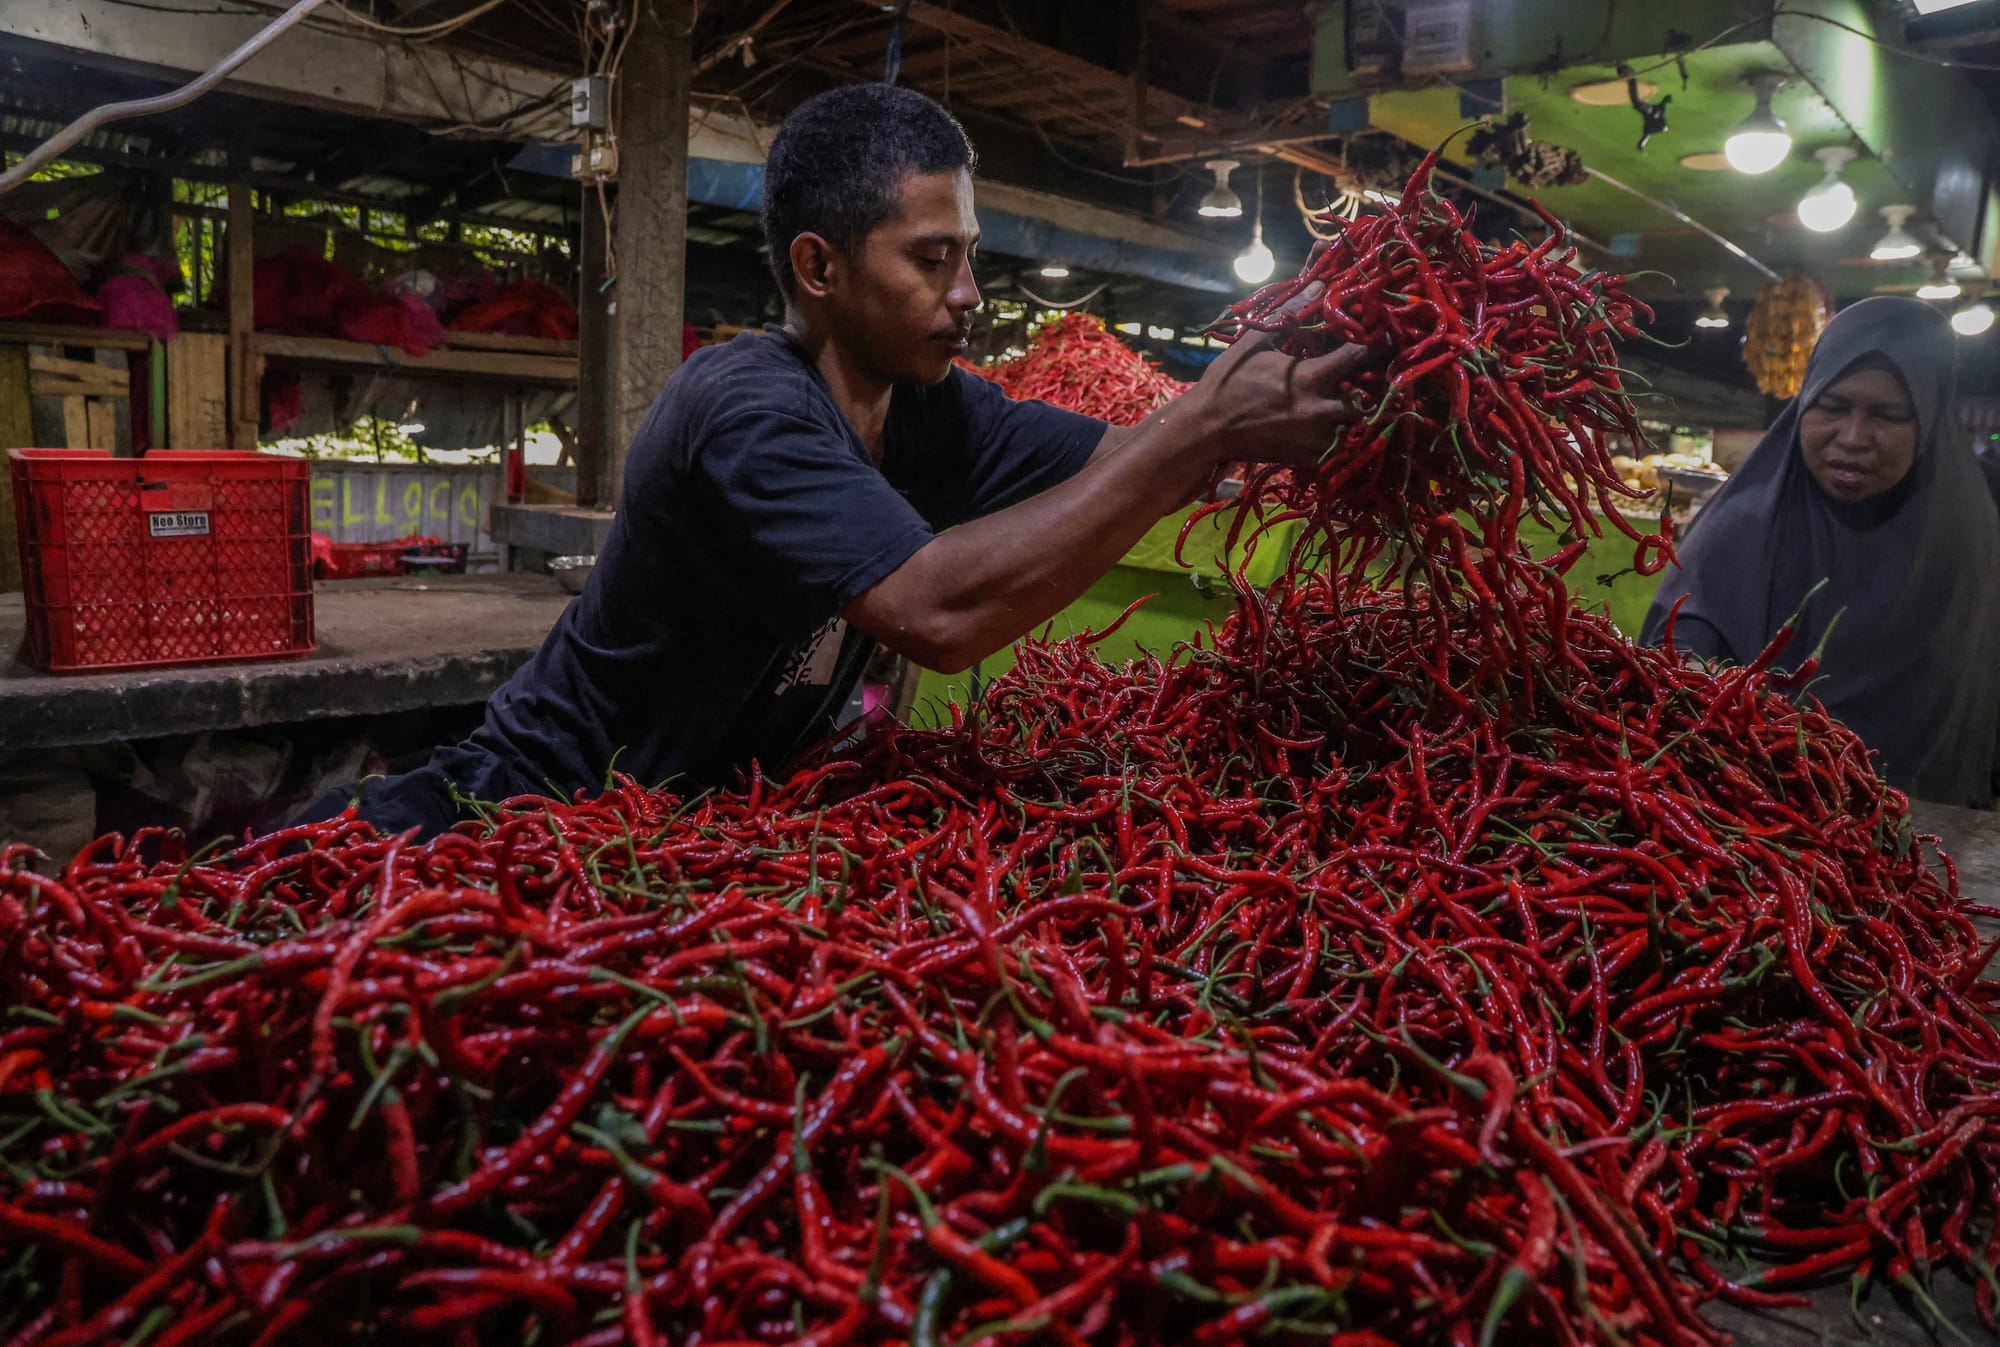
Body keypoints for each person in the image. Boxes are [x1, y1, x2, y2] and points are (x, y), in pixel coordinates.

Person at [297, 83, 1363, 838]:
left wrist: (1299, 397)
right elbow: (935, 616)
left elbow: (1132, 460)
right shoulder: (745, 407)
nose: (967, 295)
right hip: (519, 815)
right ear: (819, 266)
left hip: (679, 837)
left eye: (970, 258)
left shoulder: (935, 411)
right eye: (930, 259)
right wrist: (1206, 427)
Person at [1640, 296, 2000, 809]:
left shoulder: (1967, 535)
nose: (1852, 438)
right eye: (1832, 407)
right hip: (1751, 824)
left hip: (1922, 835)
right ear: (1804, 404)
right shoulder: (1743, 527)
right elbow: (1673, 677)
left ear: (1929, 422)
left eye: (1888, 415)